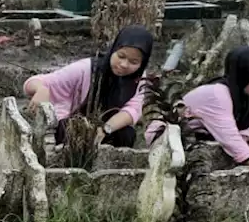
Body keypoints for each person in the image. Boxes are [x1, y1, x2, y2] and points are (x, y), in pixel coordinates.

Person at [23, 25, 155, 148]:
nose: (124, 64)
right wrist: (41, 89)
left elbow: (132, 110)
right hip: (74, 127)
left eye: (134, 62)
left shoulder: (138, 79)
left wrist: (105, 129)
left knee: (126, 134)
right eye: (121, 56)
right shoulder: (86, 69)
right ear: (114, 49)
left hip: (104, 128)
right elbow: (33, 82)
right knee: (68, 130)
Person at [147, 45, 249, 167]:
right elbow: (231, 140)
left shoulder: (248, 95)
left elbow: (246, 128)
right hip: (168, 140)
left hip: (200, 136)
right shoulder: (218, 95)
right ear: (243, 77)